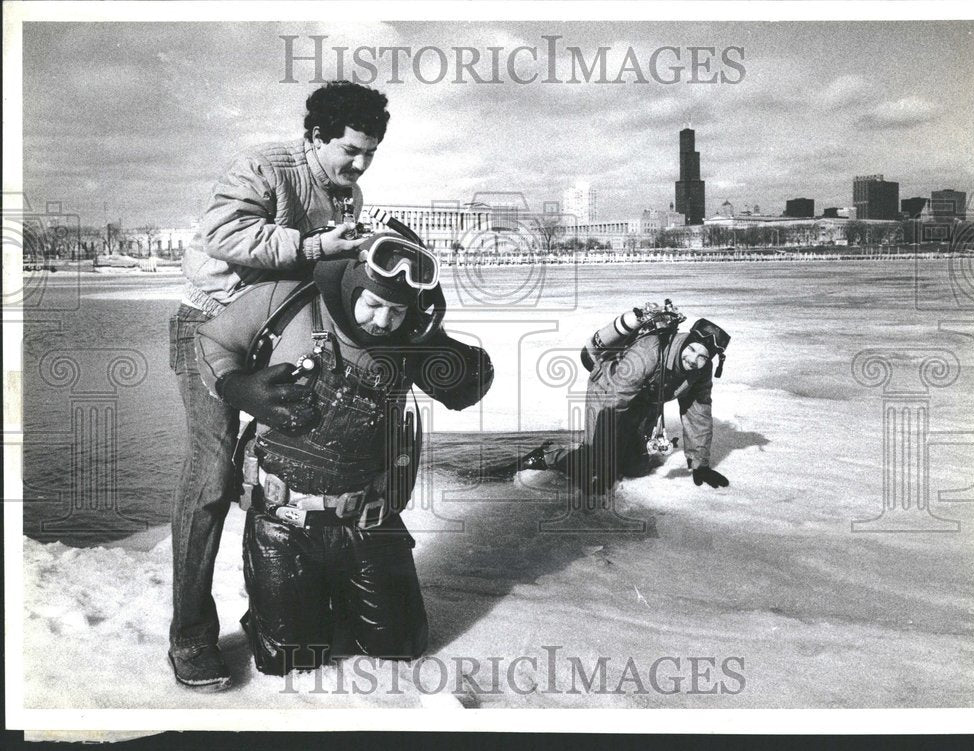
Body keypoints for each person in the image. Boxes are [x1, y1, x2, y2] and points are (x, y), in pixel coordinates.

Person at [167, 81, 389, 689]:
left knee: (298, 469)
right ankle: (189, 635)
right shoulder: (264, 166)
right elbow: (223, 235)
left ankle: (285, 609)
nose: (360, 164)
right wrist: (317, 244)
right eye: (350, 150)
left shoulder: (350, 192)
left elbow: (326, 274)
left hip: (279, 334)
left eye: (370, 152)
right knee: (211, 479)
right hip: (211, 326)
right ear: (316, 137)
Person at [195, 233, 493, 676]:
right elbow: (210, 341)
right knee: (292, 660)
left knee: (402, 647)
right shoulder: (286, 301)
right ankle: (282, 607)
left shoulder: (409, 336)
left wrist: (445, 353)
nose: (382, 321)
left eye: (396, 311)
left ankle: (330, 600)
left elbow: (471, 386)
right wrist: (236, 386)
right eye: (372, 304)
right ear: (352, 284)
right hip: (283, 522)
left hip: (368, 520)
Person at [497, 303, 731, 498]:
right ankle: (548, 455)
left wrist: (701, 464)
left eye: (703, 357)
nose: (694, 359)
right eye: (692, 350)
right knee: (596, 469)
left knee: (635, 468)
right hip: (608, 392)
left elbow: (697, 412)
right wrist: (600, 459)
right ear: (686, 341)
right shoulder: (648, 353)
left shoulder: (701, 370)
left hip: (646, 402)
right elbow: (614, 403)